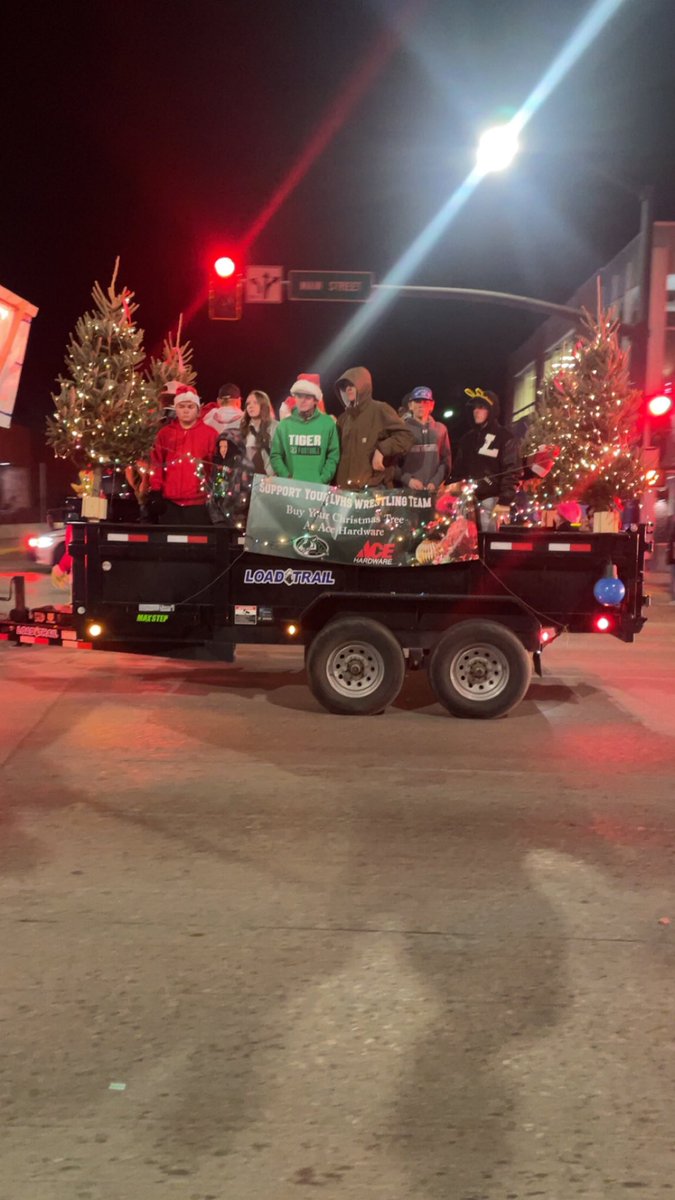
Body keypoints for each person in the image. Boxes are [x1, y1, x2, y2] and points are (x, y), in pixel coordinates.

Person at [448, 387, 520, 531]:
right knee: (465, 544)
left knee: (489, 543)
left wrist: (505, 500)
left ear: (491, 410)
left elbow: (512, 470)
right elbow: (458, 469)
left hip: (492, 501)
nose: (476, 411)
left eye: (482, 407)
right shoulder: (467, 438)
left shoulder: (504, 437)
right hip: (466, 501)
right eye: (475, 408)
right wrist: (452, 489)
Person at [334, 366, 414, 490]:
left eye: (352, 384)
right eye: (344, 386)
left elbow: (406, 436)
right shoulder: (343, 419)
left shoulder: (380, 409)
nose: (348, 388)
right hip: (346, 492)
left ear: (363, 386)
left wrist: (382, 450)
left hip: (373, 488)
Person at [148, 385, 217, 525]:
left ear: (197, 409)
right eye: (181, 406)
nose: (185, 410)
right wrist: (156, 491)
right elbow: (157, 463)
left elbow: (214, 467)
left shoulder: (210, 434)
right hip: (170, 503)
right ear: (176, 409)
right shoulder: (165, 434)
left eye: (190, 406)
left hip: (199, 503)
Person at [270, 378, 340, 483]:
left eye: (307, 397)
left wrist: (322, 479)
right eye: (299, 396)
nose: (303, 400)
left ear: (315, 400)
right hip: (291, 489)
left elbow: (333, 456)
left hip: (318, 489)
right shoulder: (284, 425)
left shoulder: (328, 423)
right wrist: (287, 478)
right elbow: (275, 455)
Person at [395, 386, 452, 492]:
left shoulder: (441, 429)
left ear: (432, 405)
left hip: (433, 491)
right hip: (409, 492)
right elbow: (393, 463)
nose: (421, 405)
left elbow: (446, 461)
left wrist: (435, 482)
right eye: (417, 401)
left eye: (425, 401)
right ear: (410, 405)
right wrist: (408, 480)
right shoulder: (401, 430)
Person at [240, 390, 278, 476]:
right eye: (248, 404)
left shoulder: (276, 427)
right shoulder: (244, 428)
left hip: (271, 481)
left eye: (255, 402)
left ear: (264, 405)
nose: (251, 406)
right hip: (250, 481)